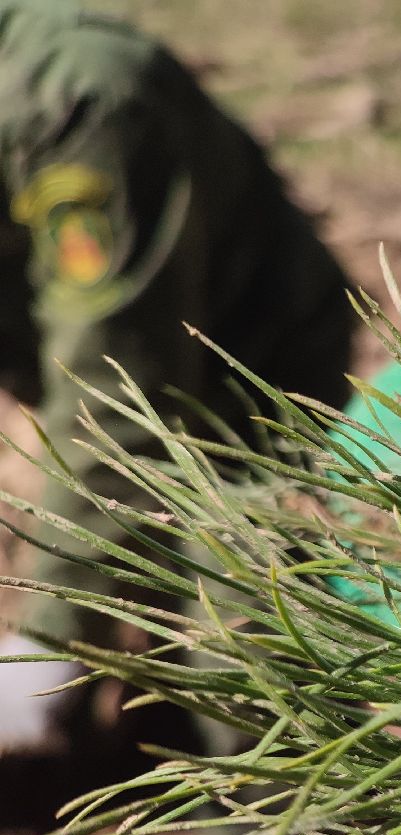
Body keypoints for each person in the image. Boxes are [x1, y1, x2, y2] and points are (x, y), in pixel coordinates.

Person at [0, 1, 353, 788]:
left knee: (240, 628)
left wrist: (50, 644)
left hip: (252, 373)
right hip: (93, 358)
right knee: (120, 552)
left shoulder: (82, 100)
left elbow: (120, 394)